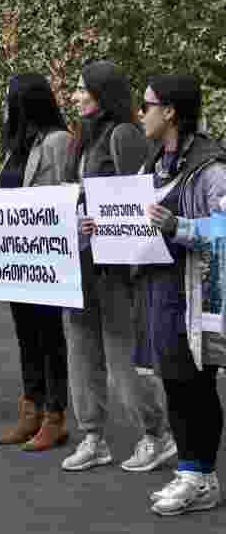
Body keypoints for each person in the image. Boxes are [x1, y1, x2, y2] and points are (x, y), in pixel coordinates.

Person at [65, 60, 173, 472]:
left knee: (120, 355)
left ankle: (155, 434)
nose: (75, 97)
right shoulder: (84, 140)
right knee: (81, 350)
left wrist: (102, 222)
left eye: (82, 89)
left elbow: (140, 200)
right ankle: (93, 436)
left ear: (103, 93)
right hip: (82, 261)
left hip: (114, 269)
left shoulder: (123, 135)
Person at [134, 75, 225, 515]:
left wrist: (179, 227)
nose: (140, 112)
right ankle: (193, 471)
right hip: (159, 292)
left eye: (146, 104)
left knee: (194, 385)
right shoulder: (153, 164)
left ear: (169, 111)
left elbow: (225, 233)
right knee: (174, 381)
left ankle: (199, 475)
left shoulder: (211, 169)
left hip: (196, 298)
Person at [0, 74, 73, 450]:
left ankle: (55, 416)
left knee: (49, 337)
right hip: (15, 259)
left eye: (10, 99)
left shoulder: (57, 142)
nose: (5, 106)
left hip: (44, 259)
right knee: (27, 337)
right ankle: (32, 411)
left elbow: (68, 194)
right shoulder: (16, 147)